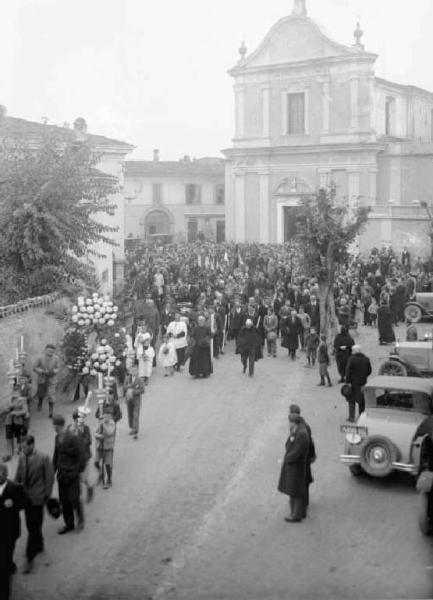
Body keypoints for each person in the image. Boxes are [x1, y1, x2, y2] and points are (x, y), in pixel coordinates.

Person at [14, 435, 54, 574]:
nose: (22, 449)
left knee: (34, 527)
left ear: (32, 445)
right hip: (26, 498)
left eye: (24, 446)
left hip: (38, 498)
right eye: (22, 447)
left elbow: (49, 478)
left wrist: (46, 496)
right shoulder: (21, 457)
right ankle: (40, 544)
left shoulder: (43, 458)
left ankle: (29, 558)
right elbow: (18, 476)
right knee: (31, 525)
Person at [52, 414, 86, 534]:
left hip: (72, 475)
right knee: (64, 501)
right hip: (61, 475)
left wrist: (78, 471)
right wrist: (53, 470)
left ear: (58, 425)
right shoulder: (57, 438)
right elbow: (56, 455)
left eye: (54, 425)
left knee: (74, 499)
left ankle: (80, 520)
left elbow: (82, 455)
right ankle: (69, 524)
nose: (53, 427)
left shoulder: (72, 438)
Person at [0, 462, 27, 600]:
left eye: (0, 474)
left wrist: (14, 504)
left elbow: (24, 503)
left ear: (6, 474)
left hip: (10, 530)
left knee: (7, 554)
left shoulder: (15, 488)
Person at [277, 414, 310, 523]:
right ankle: (298, 512)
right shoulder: (299, 430)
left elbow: (297, 452)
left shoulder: (301, 434)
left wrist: (286, 459)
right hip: (296, 466)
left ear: (293, 422)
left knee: (295, 491)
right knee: (295, 490)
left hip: (296, 467)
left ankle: (296, 515)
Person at [289, 405, 316, 517]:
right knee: (304, 481)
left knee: (302, 482)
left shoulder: (303, 429)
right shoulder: (302, 426)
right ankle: (304, 503)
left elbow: (308, 442)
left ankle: (302, 506)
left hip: (304, 459)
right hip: (306, 457)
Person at [67, 406, 94, 503]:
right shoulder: (70, 428)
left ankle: (90, 488)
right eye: (75, 419)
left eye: (79, 419)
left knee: (83, 478)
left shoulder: (85, 429)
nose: (77, 421)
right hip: (74, 458)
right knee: (76, 478)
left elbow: (88, 441)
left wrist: (79, 439)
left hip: (84, 458)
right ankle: (78, 497)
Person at [344, 345, 372, 421]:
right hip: (363, 382)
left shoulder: (351, 359)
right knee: (362, 401)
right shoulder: (366, 359)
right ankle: (361, 417)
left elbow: (348, 371)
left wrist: (347, 381)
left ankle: (351, 417)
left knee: (351, 400)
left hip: (353, 383)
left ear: (354, 351)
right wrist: (364, 376)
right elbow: (369, 371)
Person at [3, 386, 29, 462]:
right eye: (13, 392)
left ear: (19, 393)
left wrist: (15, 412)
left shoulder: (22, 400)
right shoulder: (8, 400)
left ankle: (20, 450)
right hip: (8, 421)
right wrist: (9, 407)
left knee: (19, 438)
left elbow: (25, 411)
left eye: (16, 392)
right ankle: (9, 454)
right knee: (8, 437)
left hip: (18, 421)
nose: (14, 394)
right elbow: (4, 410)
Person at [33, 344, 60, 418]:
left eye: (52, 351)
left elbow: (58, 368)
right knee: (41, 393)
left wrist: (54, 371)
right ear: (45, 350)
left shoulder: (56, 358)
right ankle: (40, 403)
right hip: (42, 378)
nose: (50, 352)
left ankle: (51, 411)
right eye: (49, 351)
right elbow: (34, 368)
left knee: (51, 395)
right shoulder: (40, 358)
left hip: (52, 379)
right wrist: (42, 371)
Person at [94, 407, 117, 489]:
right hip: (100, 446)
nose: (105, 417)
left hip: (108, 447)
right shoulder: (101, 422)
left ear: (110, 416)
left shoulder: (112, 423)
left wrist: (103, 425)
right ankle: (101, 473)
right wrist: (99, 436)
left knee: (107, 464)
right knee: (96, 462)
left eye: (107, 416)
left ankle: (109, 480)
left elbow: (109, 432)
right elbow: (95, 433)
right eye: (105, 415)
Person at [124, 364, 145, 439]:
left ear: (137, 371)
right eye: (132, 370)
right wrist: (129, 388)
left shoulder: (140, 379)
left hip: (136, 400)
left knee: (136, 415)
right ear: (130, 371)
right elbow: (124, 387)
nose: (134, 372)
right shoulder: (127, 378)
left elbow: (142, 390)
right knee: (130, 414)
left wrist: (134, 391)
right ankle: (132, 426)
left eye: (135, 370)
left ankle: (135, 429)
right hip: (129, 400)